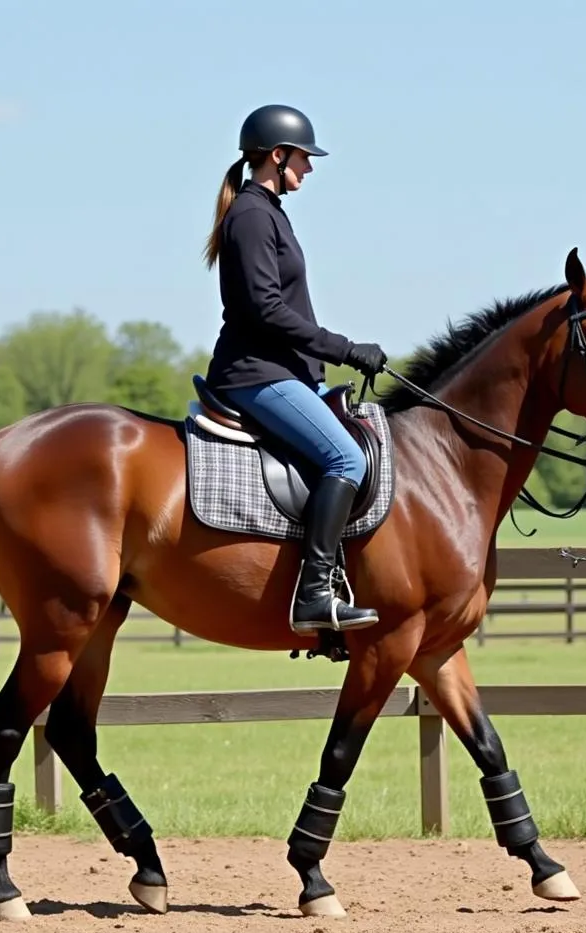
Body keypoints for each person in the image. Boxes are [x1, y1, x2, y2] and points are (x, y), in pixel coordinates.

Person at [202, 103, 388, 635]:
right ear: (277, 156)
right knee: (345, 459)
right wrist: (345, 348)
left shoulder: (266, 212)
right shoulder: (253, 216)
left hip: (286, 372)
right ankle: (312, 594)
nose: (309, 168)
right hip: (257, 374)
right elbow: (266, 310)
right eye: (303, 158)